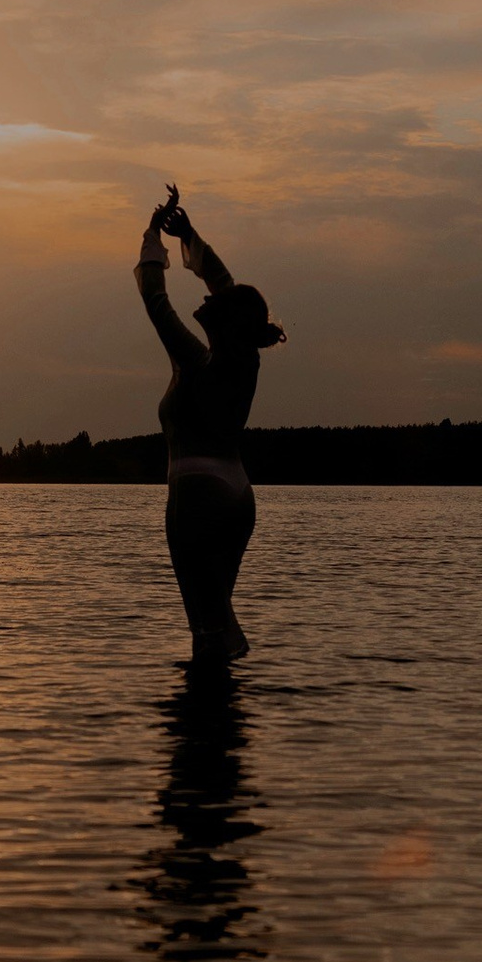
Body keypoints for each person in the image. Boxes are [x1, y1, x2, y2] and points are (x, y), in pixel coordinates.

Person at [134, 183, 286, 665]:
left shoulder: (196, 363)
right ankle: (227, 716)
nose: (203, 302)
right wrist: (190, 235)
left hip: (198, 492)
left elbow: (155, 299)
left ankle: (206, 726)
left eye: (212, 305)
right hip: (238, 496)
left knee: (207, 625)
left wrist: (153, 237)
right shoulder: (242, 360)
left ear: (221, 320)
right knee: (216, 614)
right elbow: (228, 289)